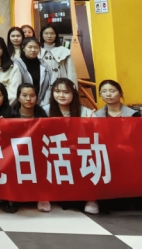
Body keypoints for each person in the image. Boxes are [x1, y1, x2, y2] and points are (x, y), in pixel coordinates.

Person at [45, 77, 96, 215]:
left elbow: (96, 136)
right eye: (57, 91)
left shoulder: (86, 112)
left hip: (80, 150)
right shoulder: (45, 110)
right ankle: (45, 197)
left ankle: (91, 198)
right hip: (54, 150)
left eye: (66, 92)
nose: (61, 95)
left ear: (73, 94)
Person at [13, 37, 50, 108]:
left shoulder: (44, 65)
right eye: (30, 47)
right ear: (23, 48)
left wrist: (44, 103)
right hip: (20, 105)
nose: (33, 50)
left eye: (36, 47)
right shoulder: (16, 64)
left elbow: (49, 86)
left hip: (41, 104)